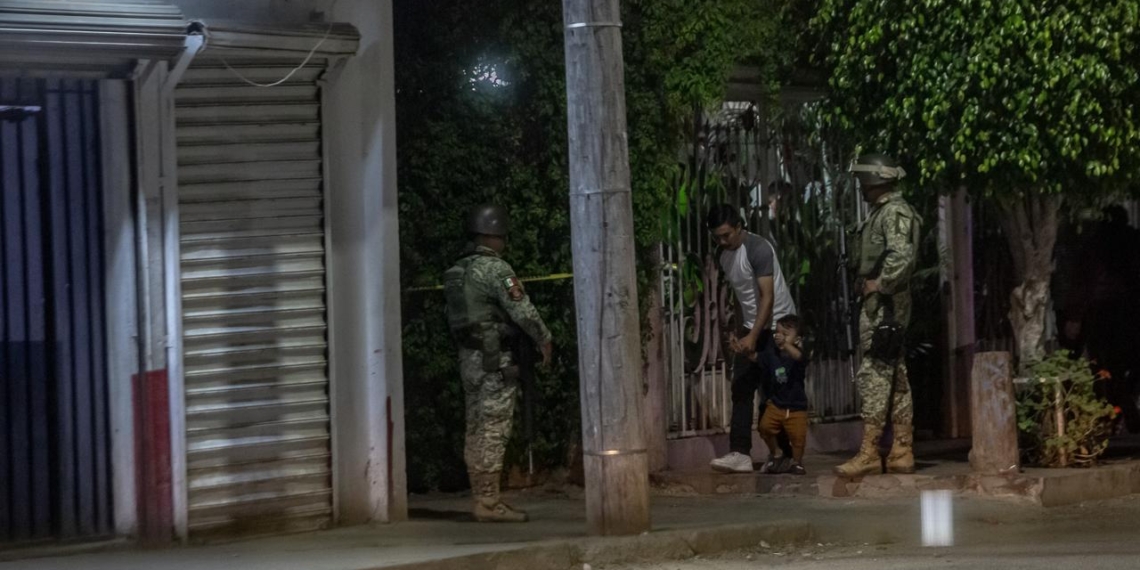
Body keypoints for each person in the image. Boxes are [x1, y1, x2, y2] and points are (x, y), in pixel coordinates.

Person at [443, 204, 553, 522]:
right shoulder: (496, 270)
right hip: (495, 360)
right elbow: (522, 310)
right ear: (495, 236)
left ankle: (481, 497)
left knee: (476, 426)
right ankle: (489, 504)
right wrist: (543, 339)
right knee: (494, 428)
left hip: (469, 359)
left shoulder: (456, 271)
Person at [835, 153, 922, 477]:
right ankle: (902, 450)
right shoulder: (887, 212)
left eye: (862, 182)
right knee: (895, 376)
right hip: (887, 305)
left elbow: (902, 257)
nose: (860, 187)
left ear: (874, 182)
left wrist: (878, 285)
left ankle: (870, 452)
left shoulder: (893, 212)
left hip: (883, 307)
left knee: (874, 374)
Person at [706, 204, 798, 473]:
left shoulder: (758, 249)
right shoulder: (724, 256)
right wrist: (739, 331)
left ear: (739, 227)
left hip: (778, 326)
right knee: (742, 387)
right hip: (752, 325)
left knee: (774, 392)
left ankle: (786, 454)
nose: (723, 241)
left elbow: (766, 297)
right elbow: (741, 294)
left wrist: (753, 335)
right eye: (717, 237)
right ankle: (740, 452)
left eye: (726, 235)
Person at [757, 315, 810, 475]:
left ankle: (797, 462)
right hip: (777, 403)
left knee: (798, 437)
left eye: (785, 334)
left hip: (796, 407)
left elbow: (799, 357)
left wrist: (786, 344)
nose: (779, 337)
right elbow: (758, 359)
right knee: (765, 427)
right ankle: (776, 453)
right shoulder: (772, 354)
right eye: (778, 333)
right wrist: (744, 350)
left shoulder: (797, 355)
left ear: (797, 339)